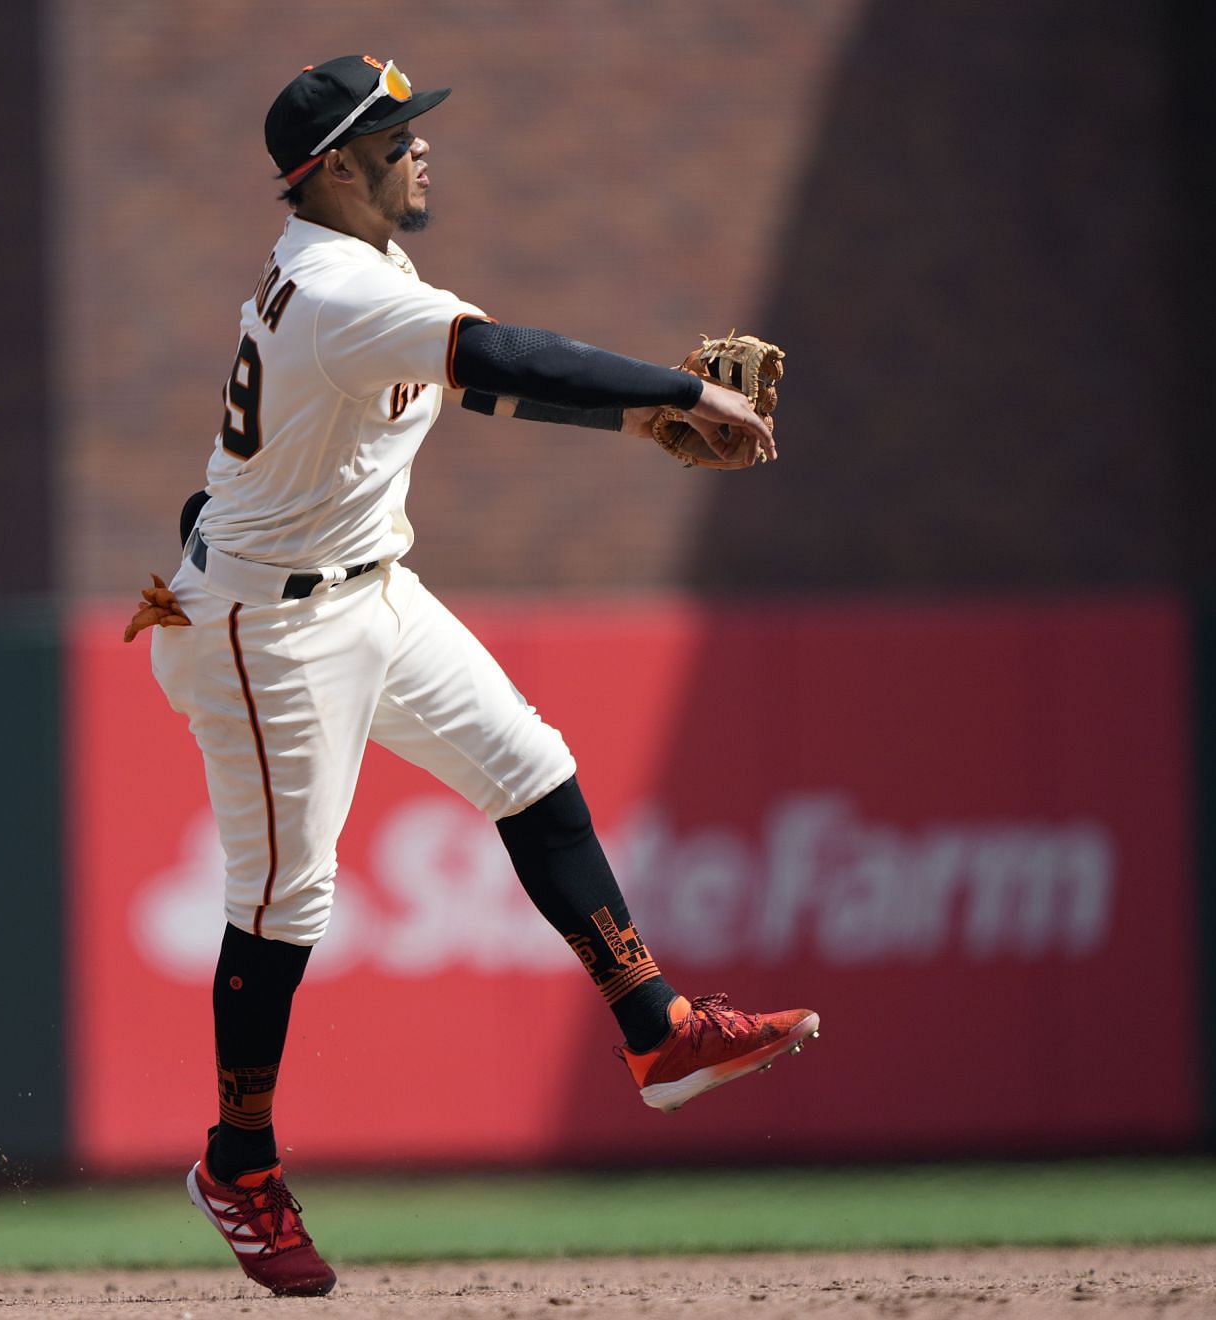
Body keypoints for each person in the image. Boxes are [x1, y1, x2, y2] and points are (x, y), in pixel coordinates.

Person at [124, 55, 820, 1297]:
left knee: (531, 767)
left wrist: (631, 424)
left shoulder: (364, 275)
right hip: (263, 631)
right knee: (287, 903)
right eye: (396, 136)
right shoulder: (338, 289)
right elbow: (509, 356)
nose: (420, 148)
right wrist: (679, 388)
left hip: (366, 586)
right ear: (334, 168)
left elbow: (472, 384)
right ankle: (238, 1163)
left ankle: (654, 1028)